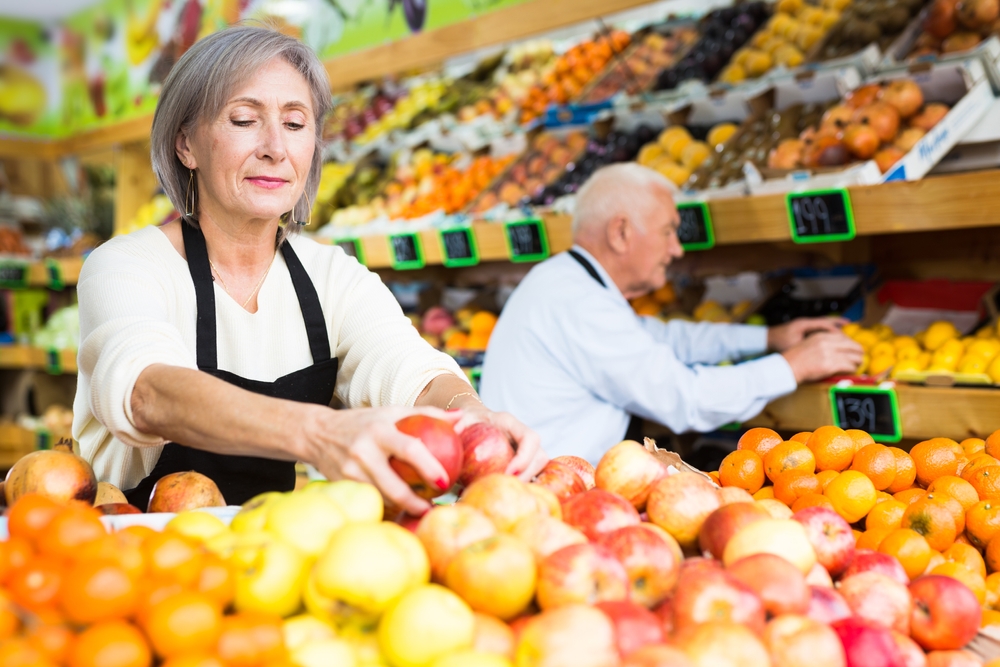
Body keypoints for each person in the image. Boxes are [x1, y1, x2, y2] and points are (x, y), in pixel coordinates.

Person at [72, 26, 545, 515]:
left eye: (296, 125)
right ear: (186, 145)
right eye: (243, 120)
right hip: (128, 551)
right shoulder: (127, 267)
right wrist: (321, 433)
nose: (276, 147)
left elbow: (407, 368)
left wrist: (471, 417)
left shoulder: (331, 277)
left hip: (268, 560)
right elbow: (149, 391)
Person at [480, 163, 864, 464]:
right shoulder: (579, 303)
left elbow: (660, 337)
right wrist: (792, 366)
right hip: (554, 501)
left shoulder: (566, 281)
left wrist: (768, 338)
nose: (677, 249)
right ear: (621, 233)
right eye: (668, 231)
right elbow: (686, 399)